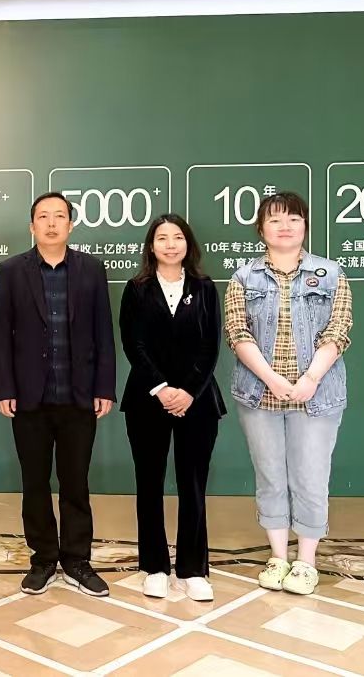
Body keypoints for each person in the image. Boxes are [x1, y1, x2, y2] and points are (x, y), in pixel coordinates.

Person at [224, 192, 352, 596]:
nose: (285, 226)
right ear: (261, 229)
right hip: (259, 396)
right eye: (275, 219)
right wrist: (272, 380)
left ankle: (306, 561)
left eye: (293, 219)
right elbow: (237, 333)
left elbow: (338, 331)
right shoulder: (243, 278)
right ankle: (278, 556)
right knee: (270, 476)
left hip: (317, 395)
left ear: (305, 226)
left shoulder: (331, 274)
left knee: (311, 478)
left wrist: (309, 379)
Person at [0, 192, 116, 597]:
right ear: (32, 226)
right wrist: (5, 388)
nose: (50, 223)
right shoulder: (12, 271)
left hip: (79, 396)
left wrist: (104, 387)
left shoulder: (91, 269)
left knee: (76, 481)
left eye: (59, 216)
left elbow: (103, 332)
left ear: (70, 224)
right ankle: (43, 558)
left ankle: (77, 560)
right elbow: (0, 335)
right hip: (30, 398)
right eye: (43, 217)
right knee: (35, 482)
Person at [119, 214, 226, 602]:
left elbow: (211, 345)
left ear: (188, 244)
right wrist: (162, 388)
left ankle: (193, 569)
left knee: (193, 485)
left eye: (177, 237)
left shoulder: (205, 287)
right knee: (149, 484)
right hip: (148, 400)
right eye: (162, 238)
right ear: (151, 246)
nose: (169, 244)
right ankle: (154, 567)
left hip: (197, 401)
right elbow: (133, 344)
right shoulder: (137, 289)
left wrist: (188, 391)